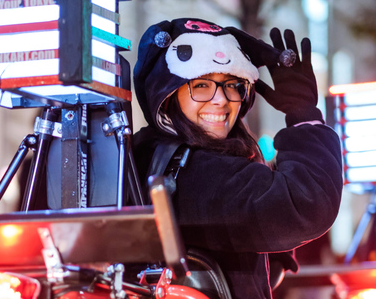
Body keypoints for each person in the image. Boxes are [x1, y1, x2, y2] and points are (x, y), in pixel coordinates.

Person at [132, 18, 343, 299]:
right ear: (167, 95)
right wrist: (305, 118)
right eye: (202, 84)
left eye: (232, 85)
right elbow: (307, 204)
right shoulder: (192, 171)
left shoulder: (154, 154)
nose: (221, 100)